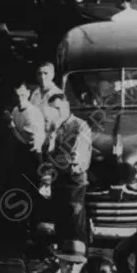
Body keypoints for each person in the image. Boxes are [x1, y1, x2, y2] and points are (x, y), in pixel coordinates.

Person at [46, 95, 92, 243]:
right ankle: (62, 258)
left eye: (58, 109)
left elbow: (73, 158)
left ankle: (79, 260)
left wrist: (54, 161)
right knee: (60, 220)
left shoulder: (80, 126)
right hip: (59, 179)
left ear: (67, 107)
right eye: (52, 110)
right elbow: (48, 154)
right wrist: (51, 138)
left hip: (75, 181)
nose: (56, 114)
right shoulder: (54, 128)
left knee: (75, 221)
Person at [29, 61, 62, 136]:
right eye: (39, 74)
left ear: (52, 75)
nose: (42, 77)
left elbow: (62, 119)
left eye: (45, 73)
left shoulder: (58, 94)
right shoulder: (34, 93)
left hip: (51, 137)